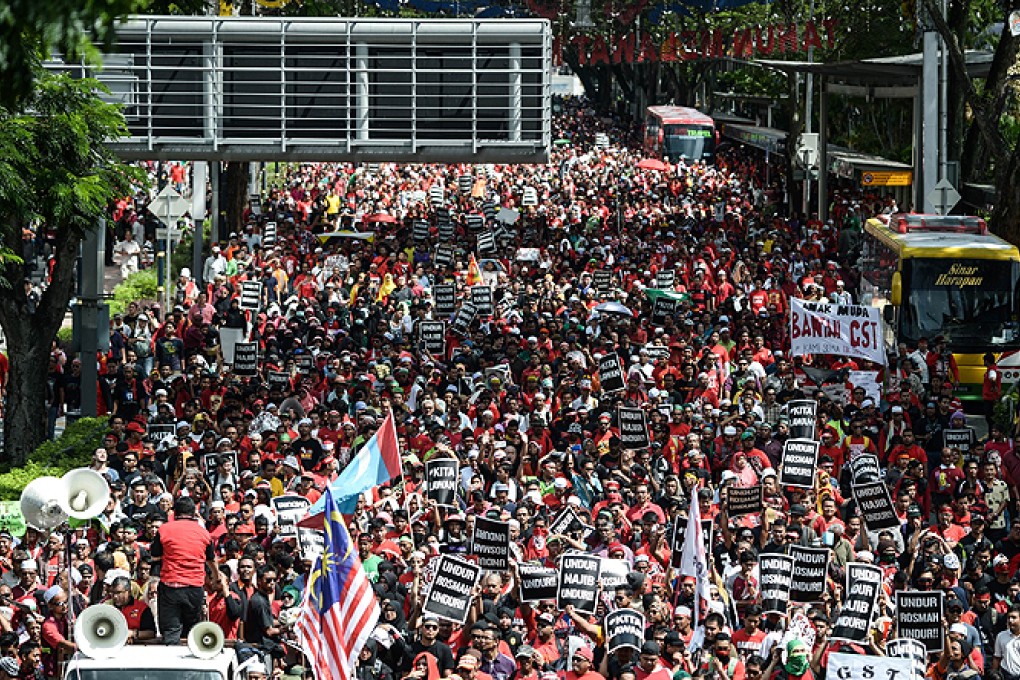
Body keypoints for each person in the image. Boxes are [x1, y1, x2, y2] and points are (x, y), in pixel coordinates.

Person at [149, 496, 215, 645]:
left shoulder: (164, 529)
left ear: (175, 512)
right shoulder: (204, 533)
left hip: (170, 587)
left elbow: (155, 555)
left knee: (171, 632)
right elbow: (211, 559)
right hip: (194, 588)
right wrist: (217, 577)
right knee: (193, 632)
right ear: (194, 513)